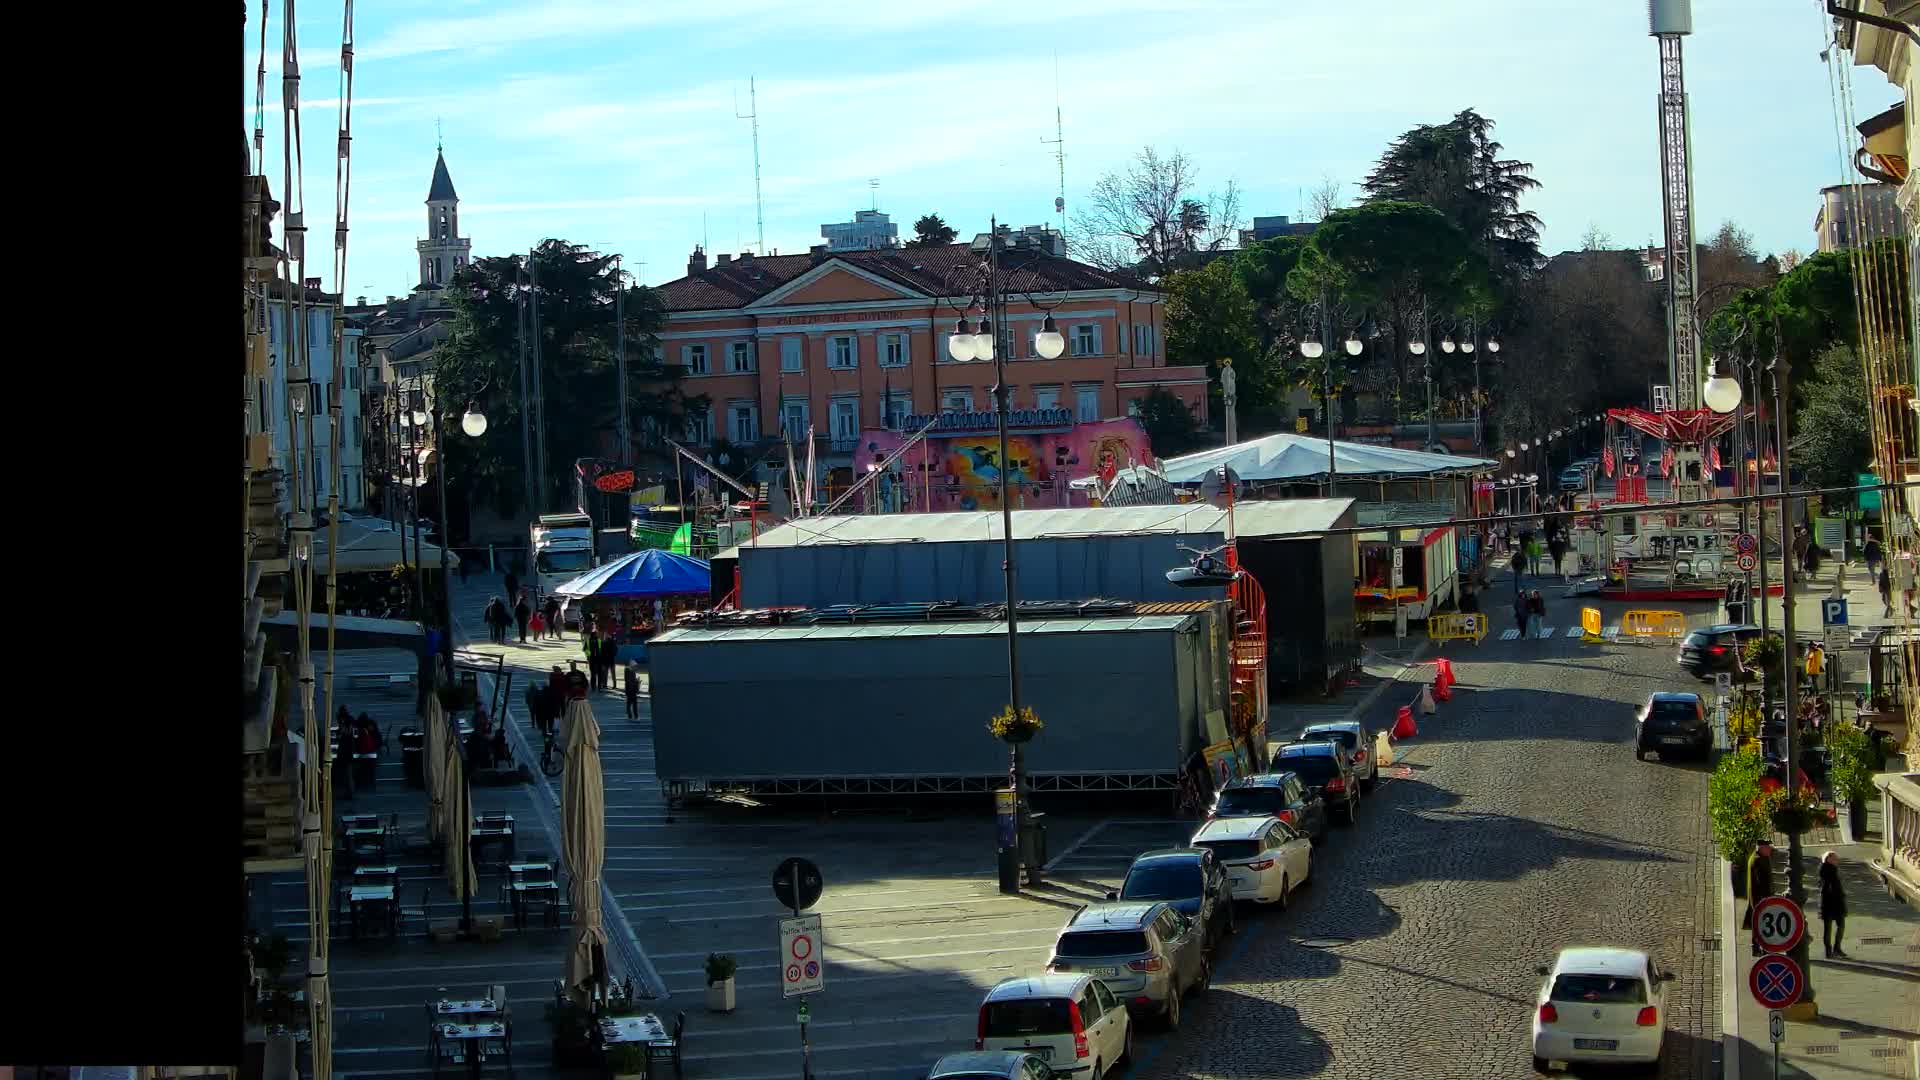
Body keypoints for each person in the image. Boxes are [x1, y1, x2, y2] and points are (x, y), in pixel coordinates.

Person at [1744, 840, 1776, 956]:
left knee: (1759, 923)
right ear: (1762, 848)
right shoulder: (1758, 860)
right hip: (1760, 898)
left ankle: (1758, 948)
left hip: (1761, 897)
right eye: (1768, 847)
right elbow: (1761, 882)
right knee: (1762, 924)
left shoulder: (1761, 858)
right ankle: (1760, 948)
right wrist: (1766, 898)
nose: (1770, 849)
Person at [1819, 850, 1848, 958]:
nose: (1837, 860)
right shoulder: (1828, 871)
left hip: (1829, 902)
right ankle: (1834, 949)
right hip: (1832, 903)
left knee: (1830, 927)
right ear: (1829, 859)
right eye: (1835, 858)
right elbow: (1829, 888)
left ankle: (1831, 950)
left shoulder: (1828, 869)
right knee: (1835, 926)